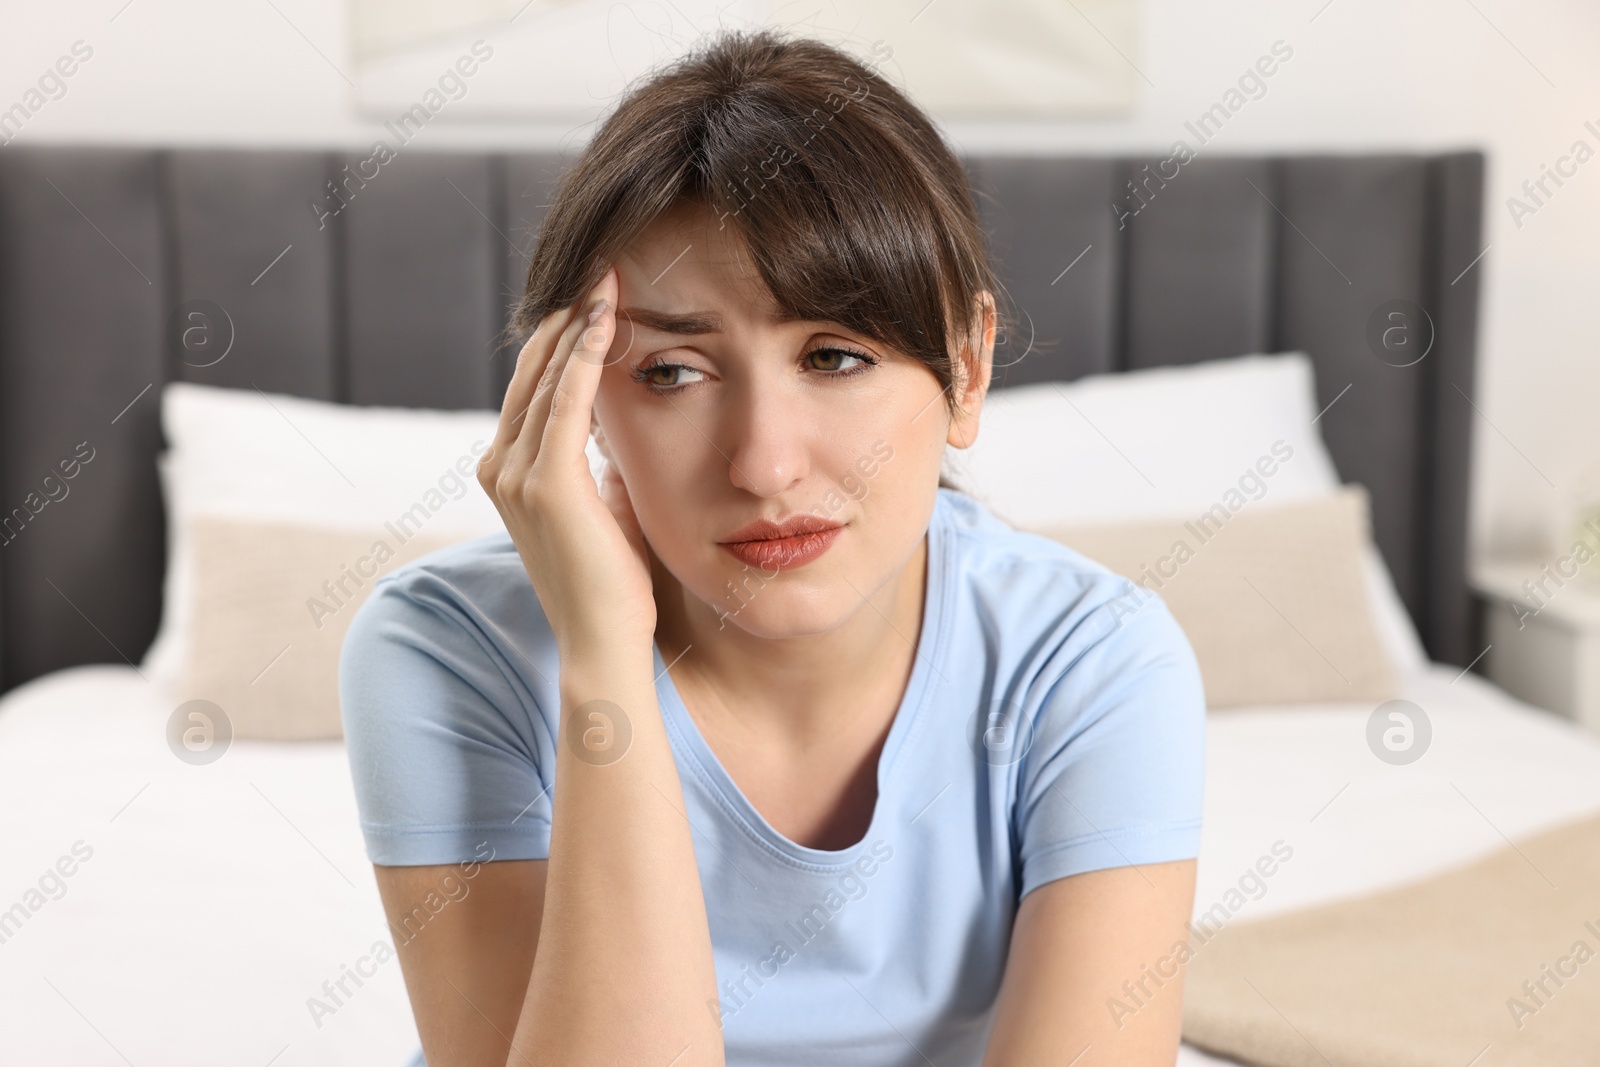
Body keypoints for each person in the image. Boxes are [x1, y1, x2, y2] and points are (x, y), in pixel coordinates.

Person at [339, 26, 1205, 1067]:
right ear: (576, 403)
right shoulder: (443, 651)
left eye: (834, 355)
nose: (763, 463)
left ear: (967, 370)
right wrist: (606, 659)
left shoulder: (1093, 662)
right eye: (669, 372)